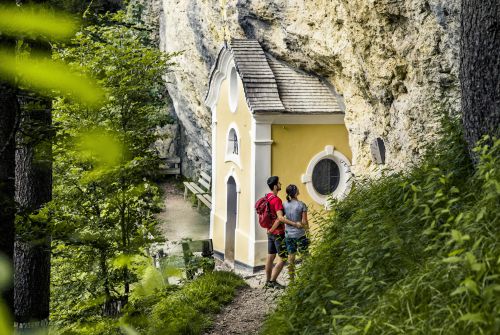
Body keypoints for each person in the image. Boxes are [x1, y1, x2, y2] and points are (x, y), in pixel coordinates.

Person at [264, 176, 302, 289]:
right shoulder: (276, 200)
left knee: (270, 257)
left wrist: (270, 230)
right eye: (279, 183)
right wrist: (295, 224)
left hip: (270, 233)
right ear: (275, 186)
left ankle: (267, 281)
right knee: (283, 258)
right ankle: (272, 281)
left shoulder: (267, 197)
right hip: (277, 233)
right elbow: (280, 218)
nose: (280, 184)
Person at [283, 184, 309, 282]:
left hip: (289, 235)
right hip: (300, 235)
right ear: (295, 192)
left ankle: (291, 280)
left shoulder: (284, 204)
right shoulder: (301, 205)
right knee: (305, 257)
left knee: (291, 258)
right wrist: (308, 233)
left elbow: (282, 218)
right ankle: (306, 278)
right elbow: (304, 222)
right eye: (297, 188)